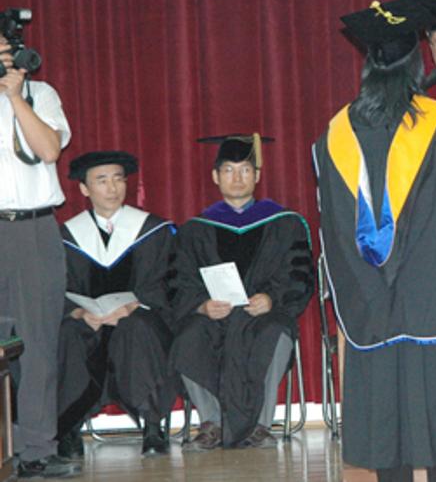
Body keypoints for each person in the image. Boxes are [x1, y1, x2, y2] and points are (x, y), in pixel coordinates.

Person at [316, 0, 436, 482]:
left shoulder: (332, 137)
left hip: (369, 302)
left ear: (368, 64)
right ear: (418, 62)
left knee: (384, 416)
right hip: (432, 298)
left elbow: (334, 229)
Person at [170, 134, 313, 451]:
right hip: (215, 316)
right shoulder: (195, 229)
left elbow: (299, 275)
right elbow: (179, 281)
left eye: (245, 170)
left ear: (257, 176)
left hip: (262, 314)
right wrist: (202, 305)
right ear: (215, 176)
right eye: (229, 171)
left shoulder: (285, 223)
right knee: (189, 336)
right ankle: (212, 424)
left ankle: (260, 426)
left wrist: (272, 299)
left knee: (276, 332)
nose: (237, 178)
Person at [56, 151, 176, 458]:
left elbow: (168, 282)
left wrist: (136, 305)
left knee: (138, 328)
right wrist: (79, 311)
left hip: (136, 319)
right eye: (102, 181)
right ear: (84, 189)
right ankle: (69, 428)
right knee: (69, 332)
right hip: (90, 322)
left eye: (118, 179)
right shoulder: (66, 235)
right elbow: (57, 289)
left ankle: (152, 427)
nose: (112, 188)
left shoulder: (153, 230)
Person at [0, 26, 79, 478]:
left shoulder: (41, 94)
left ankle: (35, 450)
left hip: (33, 229)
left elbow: (49, 150)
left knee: (37, 347)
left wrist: (16, 98)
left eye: (7, 52)